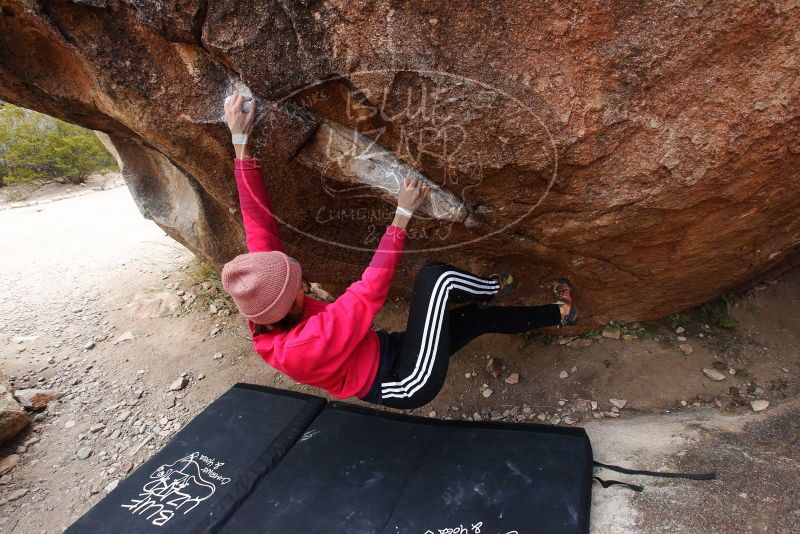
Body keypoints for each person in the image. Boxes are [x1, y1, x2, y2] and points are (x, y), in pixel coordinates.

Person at [221, 95, 577, 410]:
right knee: (437, 279)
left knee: (477, 319)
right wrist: (401, 216)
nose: (302, 281)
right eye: (297, 284)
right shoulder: (305, 344)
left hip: (387, 349)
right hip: (405, 380)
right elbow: (369, 291)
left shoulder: (263, 303)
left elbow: (258, 227)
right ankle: (495, 289)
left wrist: (239, 140)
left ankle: (560, 314)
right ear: (289, 304)